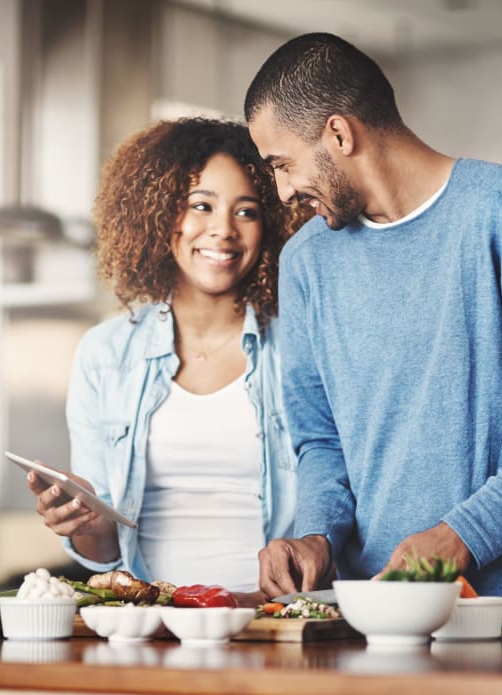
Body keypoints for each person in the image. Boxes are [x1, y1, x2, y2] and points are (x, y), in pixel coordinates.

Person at [245, 33, 502, 632]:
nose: (283, 191)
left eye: (282, 164)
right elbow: (320, 439)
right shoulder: (306, 262)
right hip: (369, 615)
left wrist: (461, 537)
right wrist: (317, 532)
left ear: (340, 135)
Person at [26, 118, 308, 604]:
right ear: (160, 216)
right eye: (201, 206)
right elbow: (105, 556)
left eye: (247, 211)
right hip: (150, 625)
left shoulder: (302, 346)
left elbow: (336, 506)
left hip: (271, 623)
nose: (223, 230)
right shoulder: (105, 355)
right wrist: (84, 522)